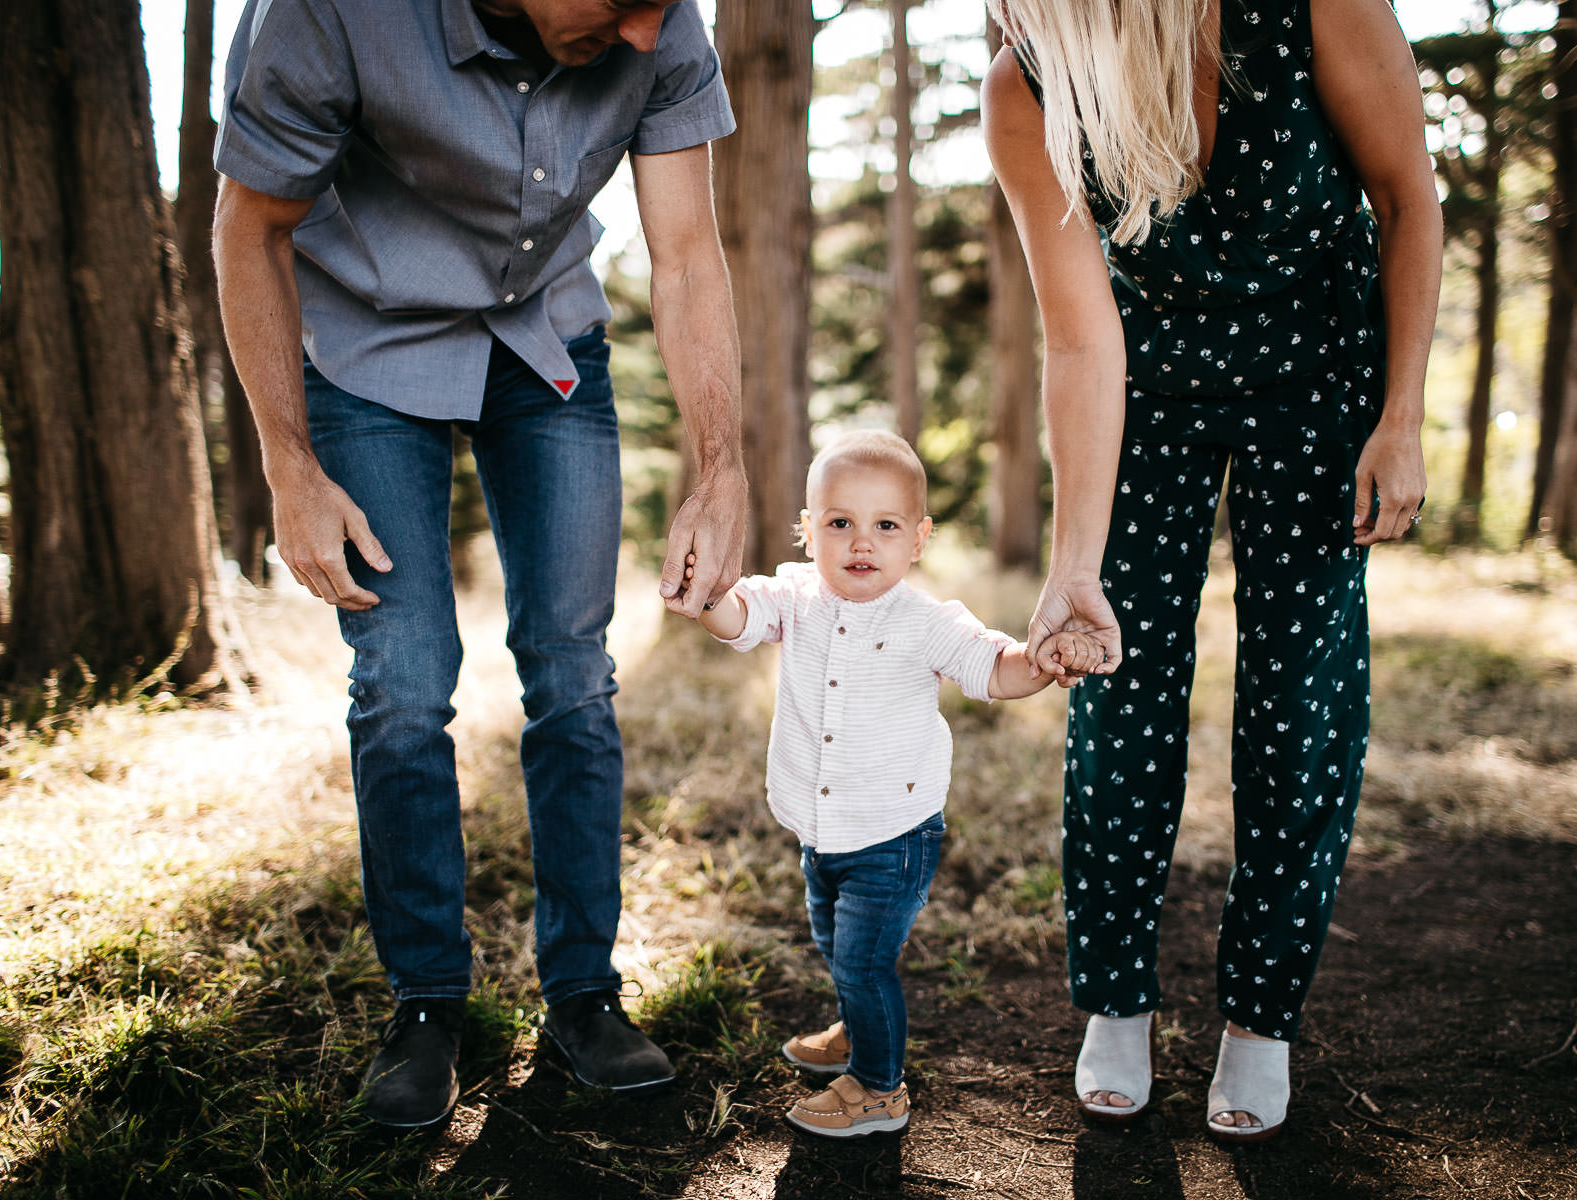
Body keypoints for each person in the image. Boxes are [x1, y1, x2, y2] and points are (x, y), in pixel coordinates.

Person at [211, 0, 747, 1129]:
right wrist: (289, 464)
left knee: (573, 673)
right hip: (363, 349)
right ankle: (426, 1007)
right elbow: (249, 228)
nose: (650, 33)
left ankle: (585, 995)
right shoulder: (332, 16)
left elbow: (688, 250)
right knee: (403, 683)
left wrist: (719, 466)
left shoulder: (657, 24)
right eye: (623, 1)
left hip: (545, 341)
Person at [981, 0, 1441, 1142]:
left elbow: (1406, 200)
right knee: (1119, 681)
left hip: (1319, 373)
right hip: (1145, 381)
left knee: (1297, 700)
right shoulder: (1025, 85)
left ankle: (1260, 1019)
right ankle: (1118, 1004)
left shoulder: (1310, 9)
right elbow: (1082, 339)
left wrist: (1403, 415)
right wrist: (1071, 564)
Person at [687, 430, 1104, 1138]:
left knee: (864, 961)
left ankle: (880, 1088)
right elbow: (738, 616)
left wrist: (1044, 661)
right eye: (840, 522)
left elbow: (994, 669)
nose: (861, 541)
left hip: (893, 836)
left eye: (885, 525)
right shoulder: (794, 596)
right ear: (808, 530)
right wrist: (702, 591)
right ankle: (859, 1027)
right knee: (832, 941)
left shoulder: (926, 622)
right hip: (819, 829)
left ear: (918, 539)